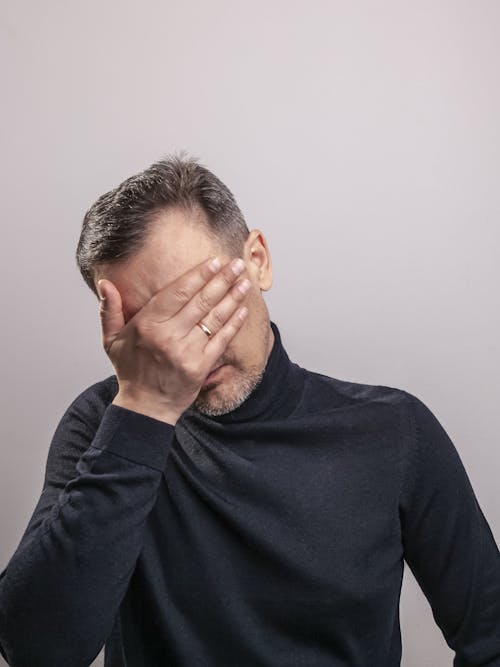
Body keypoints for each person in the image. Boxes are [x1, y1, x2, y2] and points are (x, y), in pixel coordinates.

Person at [0, 152, 499, 667]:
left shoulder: (394, 430)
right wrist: (142, 411)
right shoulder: (106, 423)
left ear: (257, 260)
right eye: (149, 328)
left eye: (200, 301)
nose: (187, 348)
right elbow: (38, 652)